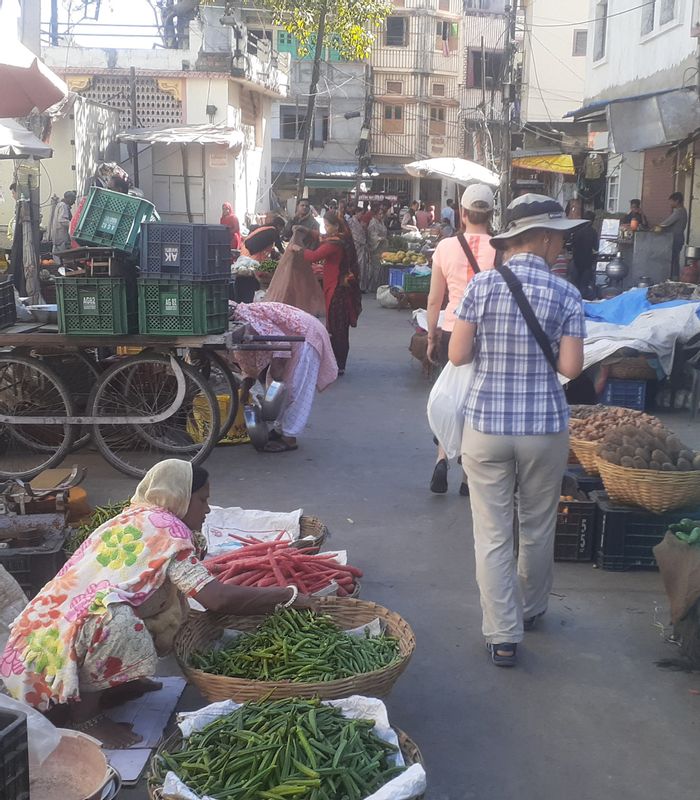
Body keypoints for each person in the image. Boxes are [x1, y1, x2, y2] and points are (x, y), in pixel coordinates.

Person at [0, 460, 314, 746]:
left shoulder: (139, 516)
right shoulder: (167, 531)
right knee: (119, 621)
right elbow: (217, 598)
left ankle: (113, 688)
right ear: (178, 496)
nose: (207, 509)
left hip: (49, 632)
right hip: (49, 658)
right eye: (202, 500)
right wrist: (287, 596)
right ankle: (85, 718)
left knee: (157, 604)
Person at [449, 193, 586, 668]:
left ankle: (503, 635)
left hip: (486, 426)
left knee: (491, 533)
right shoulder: (567, 294)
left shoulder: (483, 286)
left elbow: (457, 355)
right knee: (536, 526)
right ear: (545, 238)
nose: (562, 247)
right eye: (560, 238)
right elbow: (570, 366)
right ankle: (530, 609)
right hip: (543, 427)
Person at [427, 184, 496, 496]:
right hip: (487, 332)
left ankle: (442, 457)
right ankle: (468, 475)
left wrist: (431, 335)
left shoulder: (444, 247)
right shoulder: (502, 248)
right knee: (476, 401)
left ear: (463, 213)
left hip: (454, 330)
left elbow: (434, 299)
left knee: (451, 397)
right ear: (491, 214)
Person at [230, 302, 338, 451]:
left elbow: (280, 340)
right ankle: (280, 429)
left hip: (305, 336)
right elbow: (248, 364)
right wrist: (244, 395)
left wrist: (277, 372)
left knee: (294, 388)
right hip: (296, 337)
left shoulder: (247, 316)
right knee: (281, 386)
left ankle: (289, 438)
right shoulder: (241, 319)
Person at [291, 211, 362, 374]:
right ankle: (336, 363)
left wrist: (298, 249)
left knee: (337, 329)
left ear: (336, 226)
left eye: (328, 225)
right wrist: (307, 230)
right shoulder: (340, 238)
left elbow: (315, 256)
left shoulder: (335, 243)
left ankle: (338, 365)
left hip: (338, 289)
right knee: (338, 328)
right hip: (338, 286)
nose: (325, 228)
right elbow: (322, 237)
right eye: (324, 225)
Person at [566, 204, 598, 300]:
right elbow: (596, 247)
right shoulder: (593, 232)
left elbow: (570, 245)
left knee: (574, 285)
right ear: (592, 221)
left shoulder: (576, 230)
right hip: (587, 262)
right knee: (584, 286)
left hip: (576, 260)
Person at [658, 192, 688, 275]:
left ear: (677, 201)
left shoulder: (679, 211)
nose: (670, 203)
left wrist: (656, 228)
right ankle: (674, 278)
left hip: (675, 239)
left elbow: (665, 223)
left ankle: (673, 278)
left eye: (671, 201)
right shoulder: (682, 210)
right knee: (674, 260)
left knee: (673, 260)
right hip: (678, 238)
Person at [348, 205, 371, 293]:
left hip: (362, 248)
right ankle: (356, 285)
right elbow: (354, 235)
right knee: (357, 267)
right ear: (356, 213)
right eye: (361, 214)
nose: (362, 216)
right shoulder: (351, 222)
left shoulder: (361, 223)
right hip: (356, 246)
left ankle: (361, 286)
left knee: (363, 267)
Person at [366, 206, 389, 293]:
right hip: (376, 248)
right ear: (375, 215)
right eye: (379, 214)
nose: (381, 215)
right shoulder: (373, 223)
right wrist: (379, 238)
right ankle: (374, 286)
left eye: (382, 214)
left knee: (381, 267)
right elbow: (372, 235)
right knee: (376, 268)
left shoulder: (381, 222)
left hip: (383, 248)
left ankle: (380, 285)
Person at [51, 190, 76, 255]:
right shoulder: (63, 206)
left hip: (57, 236)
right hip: (61, 237)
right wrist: (73, 225)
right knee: (63, 256)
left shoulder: (60, 205)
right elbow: (62, 220)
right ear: (69, 198)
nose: (74, 202)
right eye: (73, 200)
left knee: (57, 256)